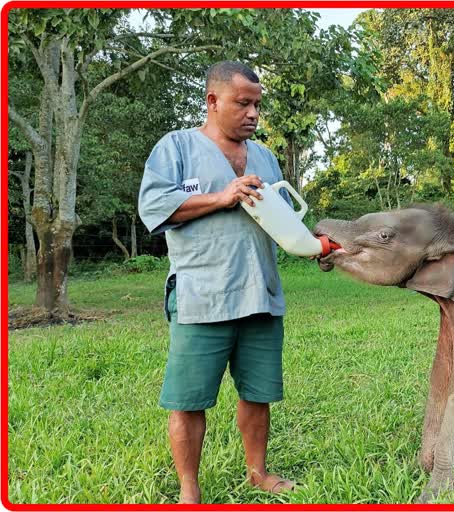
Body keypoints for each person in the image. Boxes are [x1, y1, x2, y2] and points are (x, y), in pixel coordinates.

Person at [138, 61, 295, 504]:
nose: (252, 113)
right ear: (212, 101)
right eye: (242, 103)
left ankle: (258, 471)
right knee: (188, 399)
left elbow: (283, 218)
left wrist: (314, 245)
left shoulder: (264, 156)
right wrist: (221, 196)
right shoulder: (177, 147)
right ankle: (190, 488)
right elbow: (154, 207)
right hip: (201, 293)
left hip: (260, 291)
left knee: (258, 391)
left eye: (257, 105)